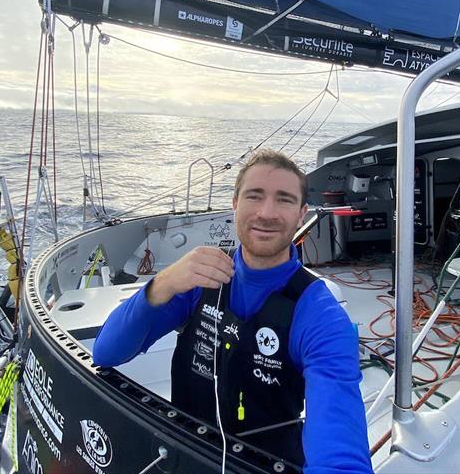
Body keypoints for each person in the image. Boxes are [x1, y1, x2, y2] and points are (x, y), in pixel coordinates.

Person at [93, 149, 372, 472]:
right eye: (255, 196)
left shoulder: (318, 315)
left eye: (284, 199)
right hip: (184, 452)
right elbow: (107, 352)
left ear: (301, 214)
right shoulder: (199, 278)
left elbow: (340, 452)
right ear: (235, 203)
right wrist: (163, 283)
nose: (267, 213)